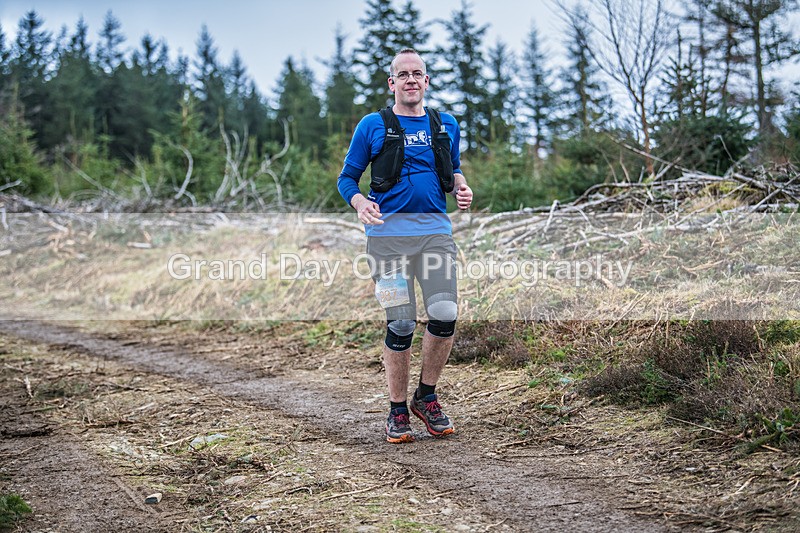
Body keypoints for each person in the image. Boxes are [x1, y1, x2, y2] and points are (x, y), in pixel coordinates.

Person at [337, 48, 473, 443]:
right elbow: (347, 179)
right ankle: (397, 409)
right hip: (386, 240)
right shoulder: (372, 125)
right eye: (403, 74)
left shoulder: (445, 124)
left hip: (435, 234)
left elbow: (454, 172)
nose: (411, 80)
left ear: (426, 81)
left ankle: (425, 397)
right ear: (392, 83)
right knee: (400, 321)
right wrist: (360, 202)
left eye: (418, 73)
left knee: (445, 313)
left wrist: (462, 189)